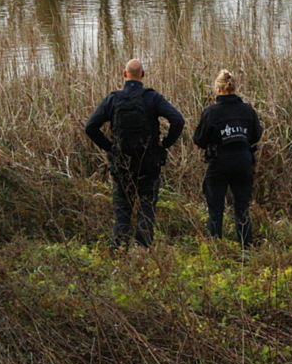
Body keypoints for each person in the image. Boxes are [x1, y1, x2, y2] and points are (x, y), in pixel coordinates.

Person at [85, 59, 184, 250]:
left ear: (124, 74)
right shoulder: (152, 98)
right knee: (147, 207)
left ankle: (120, 250)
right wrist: (164, 144)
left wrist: (110, 147)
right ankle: (143, 251)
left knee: (122, 208)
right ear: (143, 75)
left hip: (122, 163)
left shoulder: (113, 99)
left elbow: (90, 127)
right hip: (149, 162)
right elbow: (178, 120)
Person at [193, 69, 262, 248]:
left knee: (216, 209)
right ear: (234, 87)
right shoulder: (247, 111)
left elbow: (199, 139)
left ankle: (216, 249)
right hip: (243, 162)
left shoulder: (211, 112)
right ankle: (246, 248)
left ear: (218, 89)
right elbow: (256, 135)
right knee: (242, 208)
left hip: (218, 164)